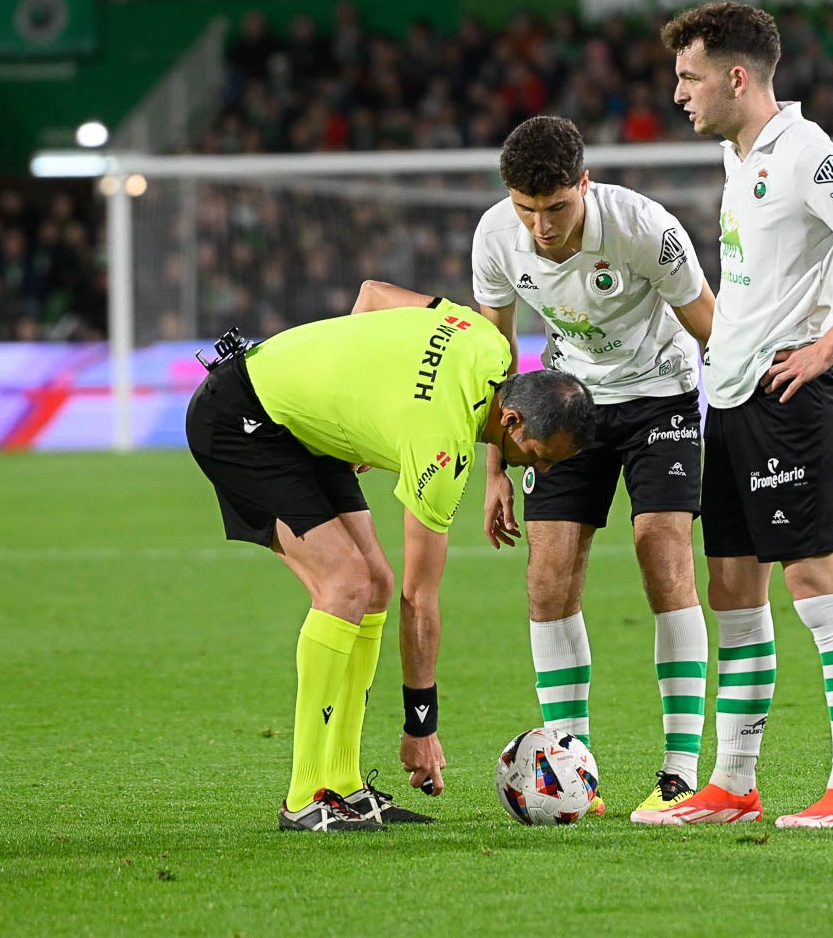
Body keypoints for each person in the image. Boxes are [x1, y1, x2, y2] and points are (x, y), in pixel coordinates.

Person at [354, 114, 717, 817]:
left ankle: (677, 768)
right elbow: (495, 356)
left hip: (659, 395)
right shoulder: (496, 236)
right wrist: (494, 468)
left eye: (555, 207)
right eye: (527, 209)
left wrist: (739, 419)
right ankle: (568, 763)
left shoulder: (644, 227)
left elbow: (709, 323)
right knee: (547, 576)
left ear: (585, 183)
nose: (541, 226)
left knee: (660, 549)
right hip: (562, 405)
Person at [639, 2, 833, 828]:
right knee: (732, 589)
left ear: (736, 77)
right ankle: (733, 783)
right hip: (726, 398)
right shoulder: (742, 155)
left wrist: (825, 346)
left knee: (814, 582)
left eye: (688, 77)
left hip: (789, 397)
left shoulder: (804, 152)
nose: (677, 94)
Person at [185, 301, 595, 831]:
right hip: (243, 419)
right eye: (540, 455)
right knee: (345, 584)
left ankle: (344, 784)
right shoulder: (441, 448)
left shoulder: (487, 341)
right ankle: (304, 795)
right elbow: (420, 598)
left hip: (301, 425)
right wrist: (421, 725)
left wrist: (355, 403)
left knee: (372, 583)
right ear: (512, 419)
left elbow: (376, 293)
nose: (540, 468)